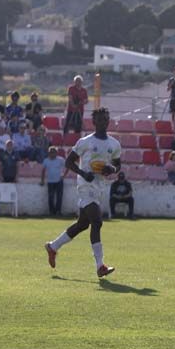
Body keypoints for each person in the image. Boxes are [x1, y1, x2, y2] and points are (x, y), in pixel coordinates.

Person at [44, 108, 120, 278]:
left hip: (99, 187)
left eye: (106, 119)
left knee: (82, 224)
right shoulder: (85, 142)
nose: (103, 122)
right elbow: (69, 162)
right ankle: (100, 265)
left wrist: (112, 168)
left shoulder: (114, 144)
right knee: (97, 221)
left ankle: (53, 246)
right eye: (100, 119)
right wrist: (83, 173)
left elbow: (118, 164)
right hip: (85, 187)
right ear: (94, 122)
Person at [41, 146, 66, 215]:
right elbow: (43, 171)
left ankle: (58, 211)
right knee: (50, 197)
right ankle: (51, 211)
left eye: (53, 152)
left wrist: (64, 175)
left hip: (59, 181)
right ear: (48, 153)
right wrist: (42, 180)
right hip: (50, 181)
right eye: (50, 152)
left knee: (59, 197)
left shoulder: (61, 160)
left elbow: (67, 166)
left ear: (56, 153)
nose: (52, 154)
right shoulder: (46, 160)